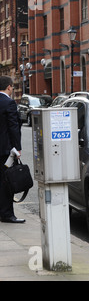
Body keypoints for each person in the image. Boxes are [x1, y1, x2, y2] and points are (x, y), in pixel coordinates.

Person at [0, 76, 25, 223]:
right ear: (9, 87)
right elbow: (13, 127)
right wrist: (17, 148)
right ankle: (7, 214)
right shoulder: (8, 103)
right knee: (6, 182)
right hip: (5, 152)